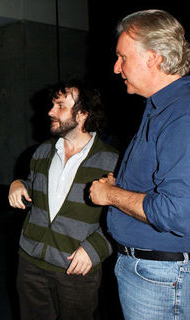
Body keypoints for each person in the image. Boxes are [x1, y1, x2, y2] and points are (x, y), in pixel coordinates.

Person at [90, 9, 190, 320]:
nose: (116, 67)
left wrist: (110, 196)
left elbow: (177, 213)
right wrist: (118, 186)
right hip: (149, 270)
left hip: (161, 276)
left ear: (154, 58)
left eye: (123, 57)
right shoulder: (159, 107)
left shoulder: (181, 115)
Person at [8, 80, 119, 320]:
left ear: (82, 114)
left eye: (60, 106)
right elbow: (36, 194)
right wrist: (19, 185)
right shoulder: (42, 152)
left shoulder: (112, 162)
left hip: (76, 268)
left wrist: (95, 249)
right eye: (52, 105)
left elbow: (122, 217)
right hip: (31, 262)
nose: (50, 111)